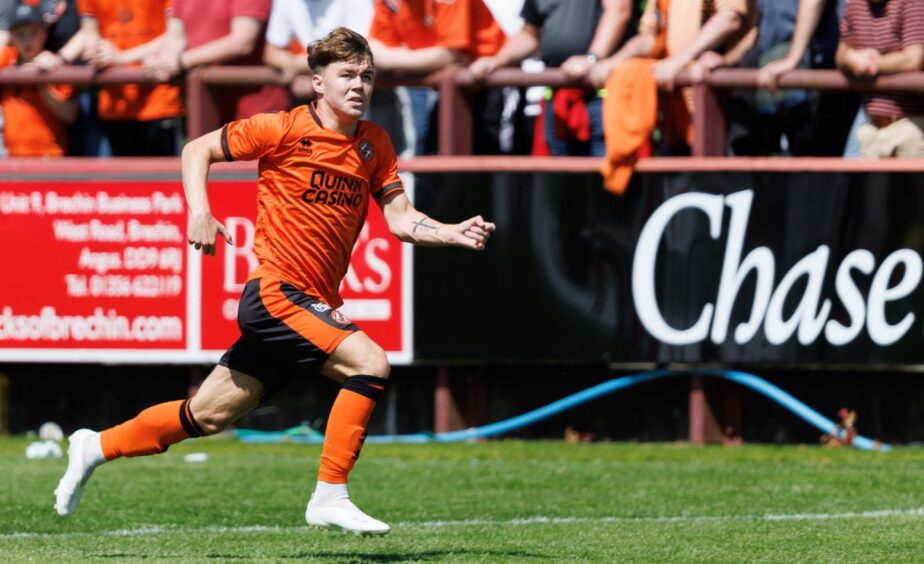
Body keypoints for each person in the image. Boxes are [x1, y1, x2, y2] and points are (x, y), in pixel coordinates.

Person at [53, 27, 496, 536]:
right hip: (276, 294)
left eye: (367, 75)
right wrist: (200, 210)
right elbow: (196, 150)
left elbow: (399, 219)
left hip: (312, 302)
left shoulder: (375, 144)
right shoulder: (282, 129)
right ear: (317, 83)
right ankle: (329, 494)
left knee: (206, 416)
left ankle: (95, 446)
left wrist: (451, 232)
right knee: (370, 362)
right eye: (347, 75)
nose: (359, 85)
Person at [470, 0, 633, 157]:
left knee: (608, 177)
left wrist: (592, 58)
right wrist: (497, 61)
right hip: (557, 99)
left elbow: (619, 11)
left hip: (603, 96)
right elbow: (530, 34)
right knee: (559, 178)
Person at [368, 0, 507, 155]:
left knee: (484, 167)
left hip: (493, 87)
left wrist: (390, 60)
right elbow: (375, 48)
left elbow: (448, 54)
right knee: (433, 165)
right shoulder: (390, 3)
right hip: (448, 91)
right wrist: (394, 59)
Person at [142, 0, 290, 124]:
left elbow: (242, 42)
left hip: (256, 111)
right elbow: (176, 39)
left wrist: (182, 61)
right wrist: (161, 60)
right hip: (206, 109)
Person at [73, 0, 184, 156]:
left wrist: (122, 57)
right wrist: (95, 50)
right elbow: (90, 32)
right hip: (115, 104)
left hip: (159, 101)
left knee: (165, 178)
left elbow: (176, 36)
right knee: (123, 178)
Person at [836, 0, 924, 158]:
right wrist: (849, 57)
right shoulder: (855, 4)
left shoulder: (913, 3)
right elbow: (841, 52)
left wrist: (870, 64)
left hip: (912, 125)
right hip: (872, 127)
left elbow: (913, 59)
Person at [0, 3, 78, 156]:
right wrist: (19, 72)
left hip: (49, 157)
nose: (27, 40)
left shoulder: (56, 66)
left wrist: (41, 84)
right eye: (20, 34)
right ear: (12, 37)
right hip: (12, 159)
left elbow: (70, 115)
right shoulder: (7, 58)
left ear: (44, 33)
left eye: (33, 32)